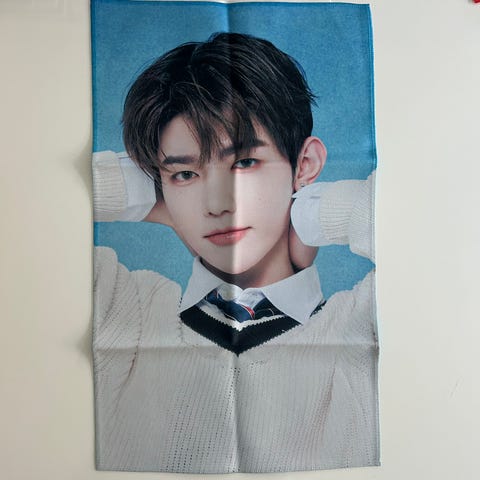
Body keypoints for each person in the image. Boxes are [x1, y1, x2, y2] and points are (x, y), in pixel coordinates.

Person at [93, 32, 378, 473]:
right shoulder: (125, 310)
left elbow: (439, 236)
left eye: (244, 162)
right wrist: (149, 191)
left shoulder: (362, 322)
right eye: (185, 174)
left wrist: (317, 214)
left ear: (304, 165)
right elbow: (30, 204)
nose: (218, 204)